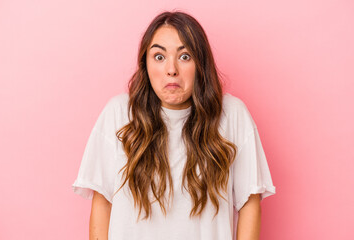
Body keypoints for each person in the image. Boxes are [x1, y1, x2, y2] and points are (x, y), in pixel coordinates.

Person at [72, 11, 276, 240]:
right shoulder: (119, 113)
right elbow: (103, 204)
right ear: (145, 63)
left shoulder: (232, 114)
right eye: (159, 57)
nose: (171, 69)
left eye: (185, 56)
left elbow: (249, 202)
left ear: (201, 63)